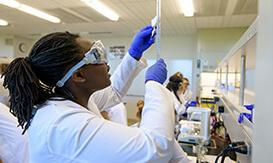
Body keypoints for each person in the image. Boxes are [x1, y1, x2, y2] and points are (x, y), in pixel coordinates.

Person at [3, 26, 177, 163]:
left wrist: (133, 55)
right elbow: (155, 150)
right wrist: (154, 86)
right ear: (78, 76)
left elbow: (113, 93)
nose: (106, 63)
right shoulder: (64, 123)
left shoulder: (70, 100)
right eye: (97, 56)